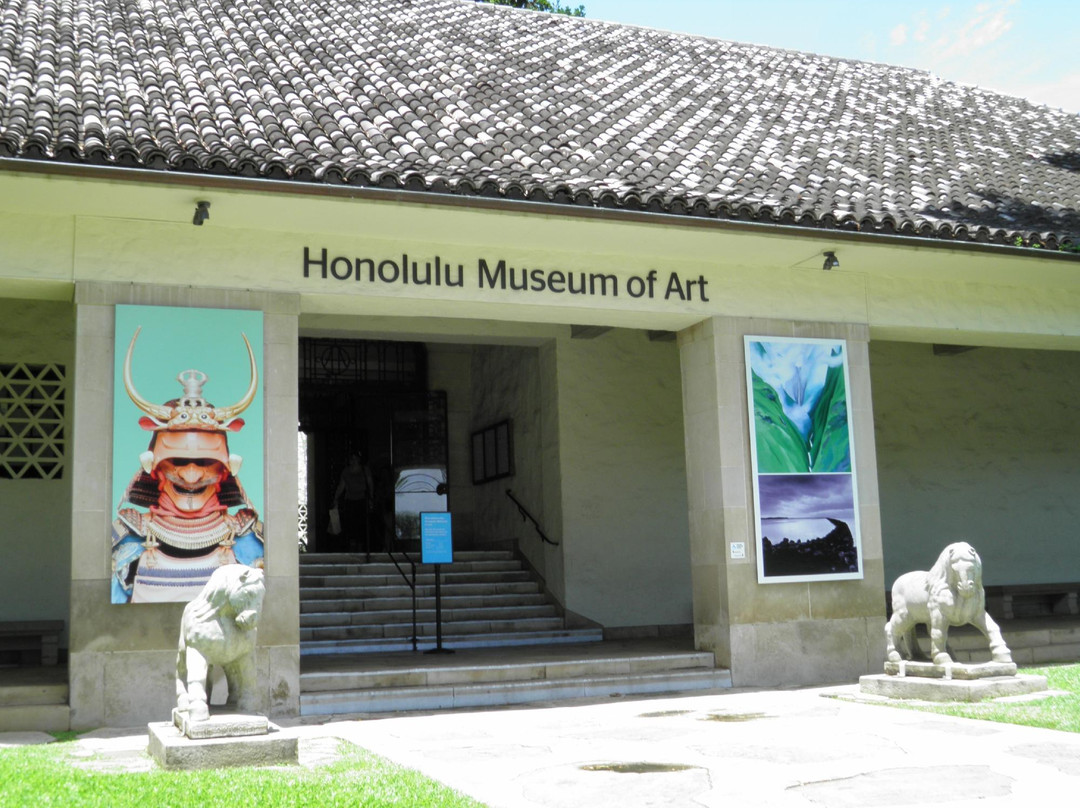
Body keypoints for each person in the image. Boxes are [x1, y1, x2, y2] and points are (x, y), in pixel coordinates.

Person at [111, 328, 264, 604]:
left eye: (205, 463)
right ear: (154, 468)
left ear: (226, 470)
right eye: (178, 462)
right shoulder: (127, 536)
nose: (191, 476)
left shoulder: (249, 539)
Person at [335, 452, 374, 557]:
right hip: (350, 500)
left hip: (362, 499)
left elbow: (370, 484)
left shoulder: (365, 470)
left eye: (355, 458)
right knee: (351, 523)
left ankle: (360, 546)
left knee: (361, 523)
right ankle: (352, 545)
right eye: (351, 459)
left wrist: (371, 498)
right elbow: (341, 485)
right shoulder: (346, 471)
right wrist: (336, 497)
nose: (353, 461)